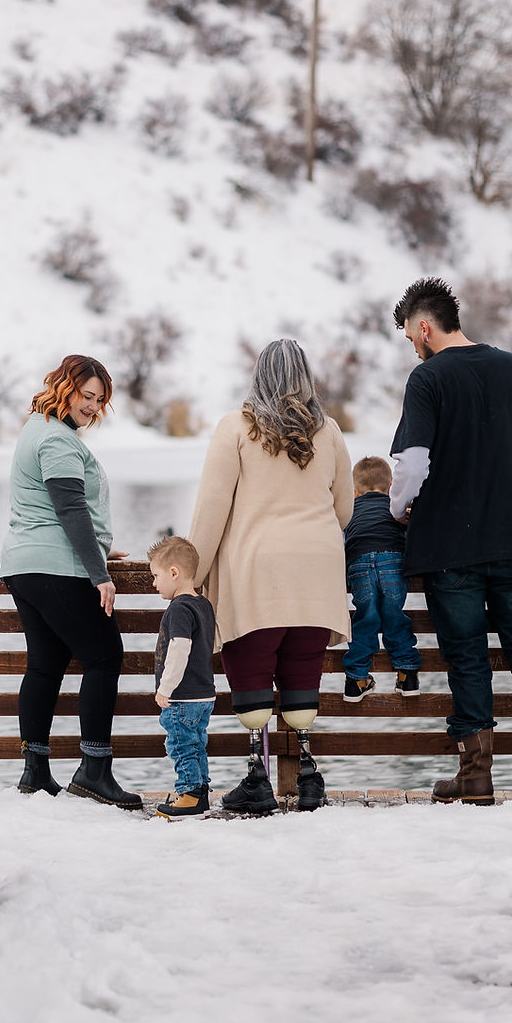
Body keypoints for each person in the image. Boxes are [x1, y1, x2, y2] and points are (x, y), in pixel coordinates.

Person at [389, 277, 512, 806]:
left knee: (467, 656)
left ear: (424, 327)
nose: (413, 347)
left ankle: (476, 776)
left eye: (410, 337)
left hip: (451, 551)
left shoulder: (427, 379)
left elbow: (412, 462)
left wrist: (398, 508)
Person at [189, 338, 354, 814]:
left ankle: (257, 779)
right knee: (303, 671)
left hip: (255, 572)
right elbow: (344, 509)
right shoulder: (330, 432)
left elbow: (211, 513)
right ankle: (308, 774)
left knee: (252, 670)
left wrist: (193, 575)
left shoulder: (235, 428)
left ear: (259, 374)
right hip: (317, 573)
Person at [0, 354, 142, 810]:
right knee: (104, 655)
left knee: (45, 662)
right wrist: (99, 572)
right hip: (56, 565)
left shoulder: (36, 429)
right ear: (66, 388)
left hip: (23, 564)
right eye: (87, 396)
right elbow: (69, 508)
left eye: (100, 400)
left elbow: (56, 509)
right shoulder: (58, 440)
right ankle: (94, 771)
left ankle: (35, 771)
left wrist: (99, 547)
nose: (93, 407)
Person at [148, 535, 217, 820]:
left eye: (156, 576)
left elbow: (179, 649)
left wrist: (165, 688)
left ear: (174, 573)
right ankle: (199, 792)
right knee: (196, 743)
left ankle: (189, 795)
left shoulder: (179, 609)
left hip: (182, 695)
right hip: (203, 693)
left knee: (180, 744)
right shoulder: (203, 604)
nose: (154, 583)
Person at [342, 456, 421, 702]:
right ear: (390, 488)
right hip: (392, 563)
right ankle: (407, 675)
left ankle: (356, 679)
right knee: (394, 615)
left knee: (366, 618)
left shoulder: (350, 510)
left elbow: (343, 540)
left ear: (354, 491)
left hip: (359, 562)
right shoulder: (394, 508)